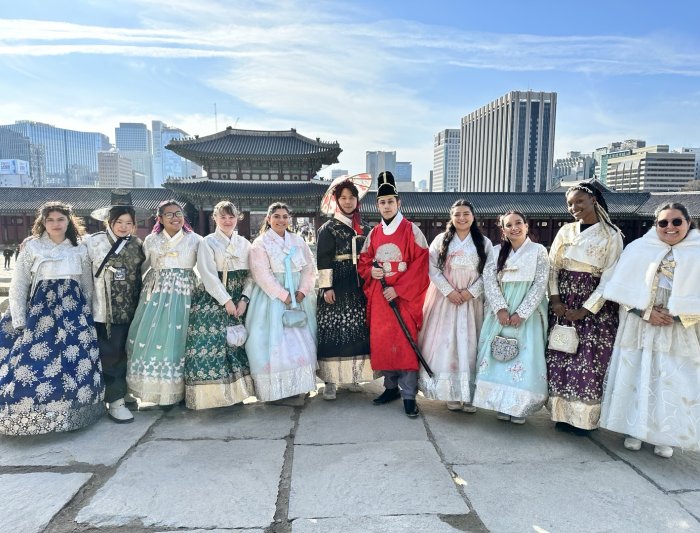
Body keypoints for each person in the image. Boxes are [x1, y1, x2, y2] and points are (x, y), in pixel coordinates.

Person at [600, 202, 700, 458]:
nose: (670, 227)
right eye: (663, 222)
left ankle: (664, 434)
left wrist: (677, 315)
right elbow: (620, 290)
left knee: (670, 377)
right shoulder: (638, 249)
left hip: (677, 328)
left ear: (688, 223)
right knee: (637, 372)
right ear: (655, 225)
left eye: (676, 221)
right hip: (640, 324)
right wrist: (645, 312)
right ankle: (633, 430)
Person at [0, 201, 104, 435]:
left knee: (74, 361)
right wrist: (19, 319)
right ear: (42, 223)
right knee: (35, 362)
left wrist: (88, 313)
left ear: (69, 222)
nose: (55, 224)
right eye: (50, 220)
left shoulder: (80, 248)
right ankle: (31, 415)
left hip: (74, 311)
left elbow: (86, 283)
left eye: (60, 219)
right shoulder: (33, 247)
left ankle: (76, 413)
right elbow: (19, 284)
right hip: (41, 311)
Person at [547, 181, 623, 436]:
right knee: (561, 354)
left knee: (589, 360)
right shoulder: (565, 231)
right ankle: (561, 414)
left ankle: (584, 419)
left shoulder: (611, 234)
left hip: (594, 302)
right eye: (570, 203)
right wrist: (555, 299)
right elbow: (552, 268)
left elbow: (611, 276)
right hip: (564, 298)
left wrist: (587, 309)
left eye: (579, 201)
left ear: (594, 200)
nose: (574, 207)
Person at [358, 171, 429, 418]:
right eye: (382, 202)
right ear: (377, 205)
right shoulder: (374, 234)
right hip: (380, 298)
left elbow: (422, 265)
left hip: (404, 298)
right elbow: (364, 261)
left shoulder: (412, 231)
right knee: (384, 342)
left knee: (406, 344)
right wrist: (372, 272)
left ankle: (409, 395)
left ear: (399, 203)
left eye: (390, 201)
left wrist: (398, 289)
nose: (386, 206)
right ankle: (390, 388)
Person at [473, 211, 549, 423]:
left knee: (525, 356)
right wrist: (500, 308)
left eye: (518, 223)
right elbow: (489, 280)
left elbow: (540, 283)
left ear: (526, 225)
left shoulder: (538, 251)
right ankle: (500, 402)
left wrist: (522, 312)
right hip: (502, 309)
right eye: (509, 225)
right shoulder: (497, 252)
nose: (514, 228)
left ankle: (519, 406)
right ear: (503, 230)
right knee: (498, 355)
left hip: (528, 311)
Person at [418, 200, 492, 413]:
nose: (462, 218)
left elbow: (489, 270)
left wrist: (471, 292)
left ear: (473, 216)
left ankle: (469, 393)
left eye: (466, 213)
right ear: (451, 217)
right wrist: (449, 291)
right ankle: (450, 391)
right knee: (446, 341)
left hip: (472, 301)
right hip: (446, 299)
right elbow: (432, 268)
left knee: (471, 342)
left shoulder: (483, 242)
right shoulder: (441, 240)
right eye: (457, 214)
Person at [126, 200, 202, 406]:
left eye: (178, 213)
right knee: (155, 336)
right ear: (159, 218)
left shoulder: (195, 240)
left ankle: (184, 389)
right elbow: (142, 268)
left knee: (182, 338)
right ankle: (158, 389)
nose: (175, 217)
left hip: (185, 292)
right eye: (169, 214)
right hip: (157, 293)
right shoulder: (151, 240)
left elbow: (203, 269)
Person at [184, 201, 255, 409]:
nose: (227, 221)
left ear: (237, 218)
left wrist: (244, 299)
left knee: (236, 344)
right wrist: (225, 300)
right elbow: (207, 274)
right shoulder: (208, 243)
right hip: (212, 297)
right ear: (214, 218)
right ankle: (212, 397)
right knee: (210, 343)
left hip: (238, 297)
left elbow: (252, 275)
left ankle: (236, 394)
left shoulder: (245, 244)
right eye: (222, 217)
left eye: (231, 217)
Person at [245, 202, 317, 401]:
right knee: (273, 340)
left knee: (302, 337)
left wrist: (302, 290)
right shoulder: (260, 243)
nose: (281, 220)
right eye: (276, 216)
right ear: (268, 219)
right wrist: (283, 295)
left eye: (285, 216)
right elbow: (261, 273)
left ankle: (300, 383)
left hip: (298, 294)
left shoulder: (298, 240)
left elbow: (309, 267)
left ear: (290, 219)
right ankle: (276, 388)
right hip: (272, 297)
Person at [84, 191, 145, 423]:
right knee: (111, 355)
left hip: (131, 308)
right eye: (119, 222)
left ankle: (123, 392)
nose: (123, 226)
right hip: (105, 311)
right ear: (109, 222)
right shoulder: (94, 242)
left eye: (129, 222)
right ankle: (114, 401)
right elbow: (84, 275)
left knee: (128, 353)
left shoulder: (137, 244)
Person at [316, 177, 373, 399]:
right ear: (336, 200)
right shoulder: (328, 228)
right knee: (333, 330)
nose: (348, 202)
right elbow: (322, 259)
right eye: (343, 198)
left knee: (356, 329)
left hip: (358, 283)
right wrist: (326, 287)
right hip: (336, 283)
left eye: (351, 197)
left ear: (357, 200)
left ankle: (351, 377)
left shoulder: (364, 226)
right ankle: (330, 381)